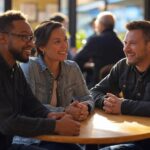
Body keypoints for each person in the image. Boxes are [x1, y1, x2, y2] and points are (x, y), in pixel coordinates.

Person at [0, 10, 83, 150]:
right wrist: (55, 125)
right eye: (23, 37)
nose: (31, 44)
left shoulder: (14, 67)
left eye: (31, 37)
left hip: (8, 143)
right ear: (2, 38)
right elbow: (7, 122)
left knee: (71, 148)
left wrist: (50, 115)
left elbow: (30, 103)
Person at [91, 20, 150, 150]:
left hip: (146, 142)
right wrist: (107, 102)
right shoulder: (122, 66)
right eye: (125, 43)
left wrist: (123, 106)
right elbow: (94, 92)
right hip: (125, 133)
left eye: (133, 43)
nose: (126, 49)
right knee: (91, 143)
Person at [74, 11, 124, 87]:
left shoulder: (95, 40)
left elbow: (77, 61)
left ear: (100, 24)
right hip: (118, 86)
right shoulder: (120, 42)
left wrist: (90, 65)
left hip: (98, 85)